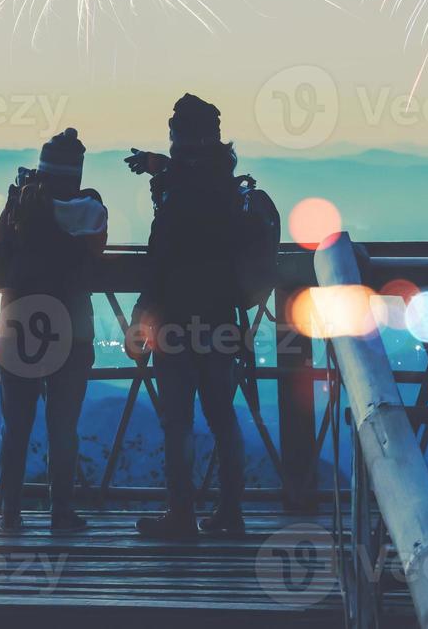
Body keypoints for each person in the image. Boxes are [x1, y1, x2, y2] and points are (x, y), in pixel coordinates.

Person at [127, 95, 253, 540]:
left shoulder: (180, 191)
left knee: (178, 421)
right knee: (223, 416)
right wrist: (160, 168)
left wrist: (142, 313)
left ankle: (180, 514)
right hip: (221, 318)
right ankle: (231, 512)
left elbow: (163, 256)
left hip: (177, 322)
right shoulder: (226, 183)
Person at [0, 128, 108, 533]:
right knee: (63, 425)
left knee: (16, 424)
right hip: (71, 327)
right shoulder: (91, 209)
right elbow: (97, 250)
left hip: (18, 323)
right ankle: (61, 510)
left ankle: (9, 512)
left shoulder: (21, 205)